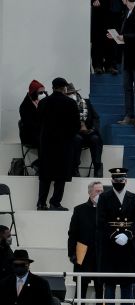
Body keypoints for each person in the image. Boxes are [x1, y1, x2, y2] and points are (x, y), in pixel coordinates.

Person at [97, 168, 135, 305]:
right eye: (116, 180)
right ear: (112, 181)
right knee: (109, 283)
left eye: (121, 179)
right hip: (110, 245)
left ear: (126, 180)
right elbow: (101, 220)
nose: (119, 182)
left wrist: (129, 234)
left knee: (127, 282)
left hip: (128, 245)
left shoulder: (134, 198)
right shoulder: (104, 197)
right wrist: (113, 235)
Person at [36, 77, 80, 211]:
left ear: (53, 87)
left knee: (45, 175)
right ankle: (55, 202)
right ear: (64, 87)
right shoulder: (70, 103)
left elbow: (38, 122)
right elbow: (76, 125)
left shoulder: (43, 102)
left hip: (47, 144)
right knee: (60, 175)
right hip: (64, 144)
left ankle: (41, 203)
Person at [68, 181, 105, 305]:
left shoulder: (107, 211)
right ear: (90, 192)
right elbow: (72, 234)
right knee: (81, 289)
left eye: (102, 191)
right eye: (97, 191)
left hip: (100, 257)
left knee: (100, 290)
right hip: (83, 255)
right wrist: (72, 253)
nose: (100, 194)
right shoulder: (79, 210)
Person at [67, 83, 104, 178]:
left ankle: (97, 167)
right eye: (68, 94)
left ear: (76, 93)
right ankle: (74, 168)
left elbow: (96, 117)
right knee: (77, 139)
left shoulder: (86, 102)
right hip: (75, 133)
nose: (71, 95)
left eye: (72, 93)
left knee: (95, 139)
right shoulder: (65, 106)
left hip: (88, 131)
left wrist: (92, 129)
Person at [91, 0, 121, 75]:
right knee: (97, 39)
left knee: (112, 38)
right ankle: (98, 65)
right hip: (98, 10)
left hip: (114, 10)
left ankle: (110, 65)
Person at [19, 80, 45, 150]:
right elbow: (30, 125)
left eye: (44, 92)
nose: (43, 94)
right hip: (30, 135)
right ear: (33, 92)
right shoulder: (25, 106)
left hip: (40, 132)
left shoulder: (39, 101)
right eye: (41, 92)